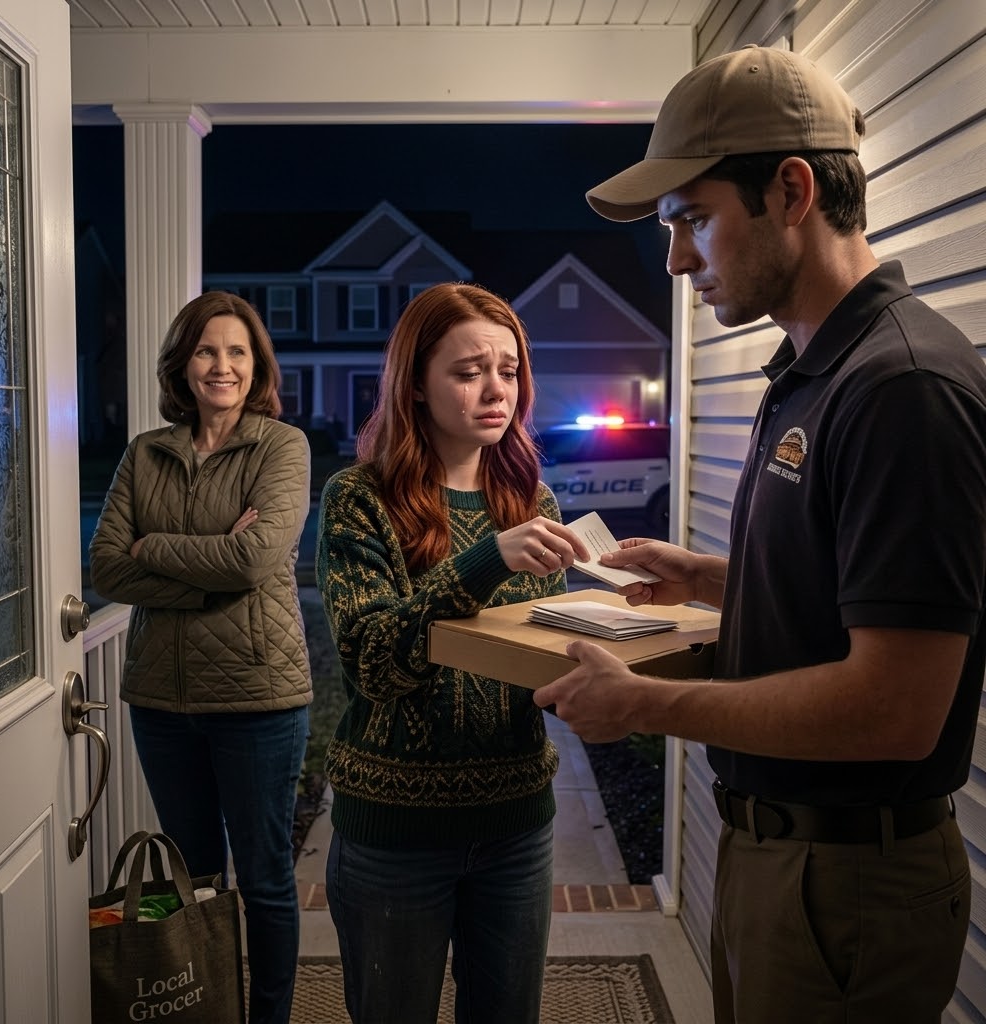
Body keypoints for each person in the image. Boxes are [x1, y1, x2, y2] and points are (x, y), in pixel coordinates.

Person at [534, 45, 986, 1024]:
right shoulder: (814, 369)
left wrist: (643, 704)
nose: (675, 259)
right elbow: (844, 590)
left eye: (692, 219)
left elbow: (895, 709)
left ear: (790, 192)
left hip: (848, 880)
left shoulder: (901, 387)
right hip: (781, 855)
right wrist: (708, 577)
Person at [315, 282, 590, 1024]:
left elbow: (544, 655)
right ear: (415, 385)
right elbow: (373, 663)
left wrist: (610, 653)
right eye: (469, 372)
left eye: (508, 370)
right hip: (395, 829)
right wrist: (485, 561)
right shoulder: (359, 498)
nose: (496, 390)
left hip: (517, 823)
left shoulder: (532, 501)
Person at [89, 291, 313, 1024]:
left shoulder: (282, 447)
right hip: (161, 702)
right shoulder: (144, 453)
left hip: (258, 699)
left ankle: (269, 1017)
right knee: (189, 881)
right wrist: (208, 568)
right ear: (183, 365)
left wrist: (154, 547)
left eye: (237, 351)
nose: (222, 365)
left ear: (257, 365)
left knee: (266, 882)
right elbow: (108, 568)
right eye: (207, 350)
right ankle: (205, 1010)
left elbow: (253, 560)